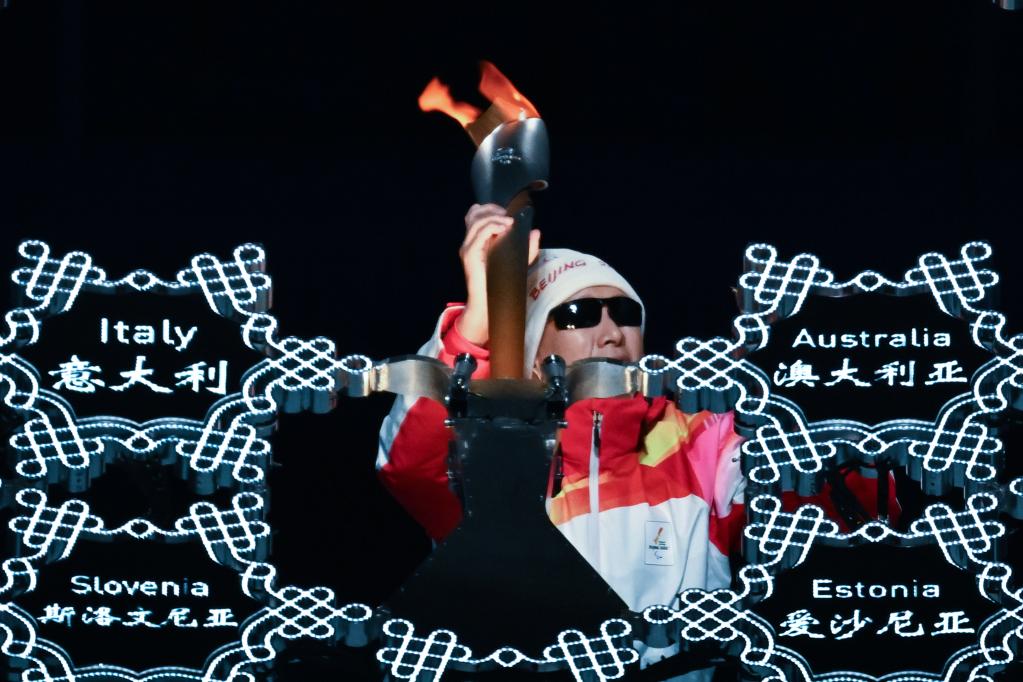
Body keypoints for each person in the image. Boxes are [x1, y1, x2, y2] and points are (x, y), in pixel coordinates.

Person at [376, 203, 899, 677]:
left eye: (625, 314)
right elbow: (409, 464)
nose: (611, 332)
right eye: (579, 315)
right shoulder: (493, 452)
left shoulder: (698, 438)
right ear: (534, 352)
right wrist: (476, 325)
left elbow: (839, 515)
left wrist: (809, 387)